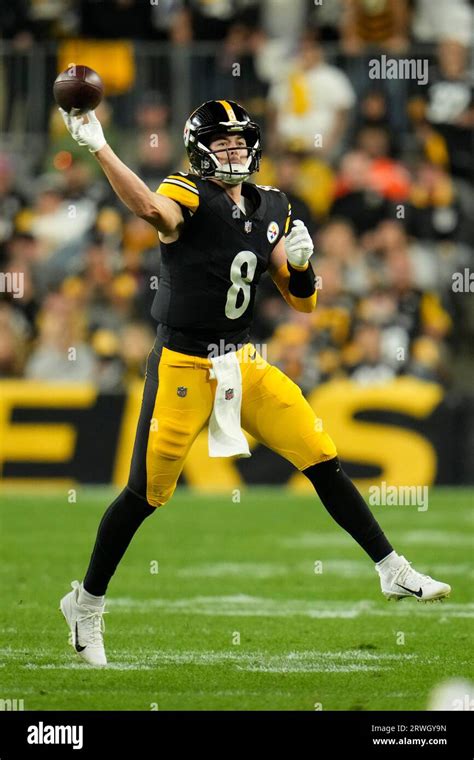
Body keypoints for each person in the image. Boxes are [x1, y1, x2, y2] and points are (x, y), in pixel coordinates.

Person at [59, 99, 450, 667]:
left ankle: (392, 570)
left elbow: (305, 302)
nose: (235, 150)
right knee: (145, 495)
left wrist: (303, 263)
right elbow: (150, 209)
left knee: (320, 454)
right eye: (223, 142)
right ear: (200, 150)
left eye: (241, 141)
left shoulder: (274, 205)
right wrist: (99, 146)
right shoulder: (187, 192)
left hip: (242, 361)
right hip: (183, 364)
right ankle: (86, 603)